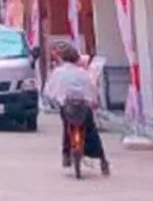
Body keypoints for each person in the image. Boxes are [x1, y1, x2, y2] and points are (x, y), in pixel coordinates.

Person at [43, 44, 108, 173]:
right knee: (91, 130)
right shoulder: (83, 73)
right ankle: (102, 159)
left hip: (67, 106)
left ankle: (66, 154)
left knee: (66, 127)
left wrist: (55, 99)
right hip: (83, 106)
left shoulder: (58, 72)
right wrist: (93, 101)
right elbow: (91, 89)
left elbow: (50, 90)